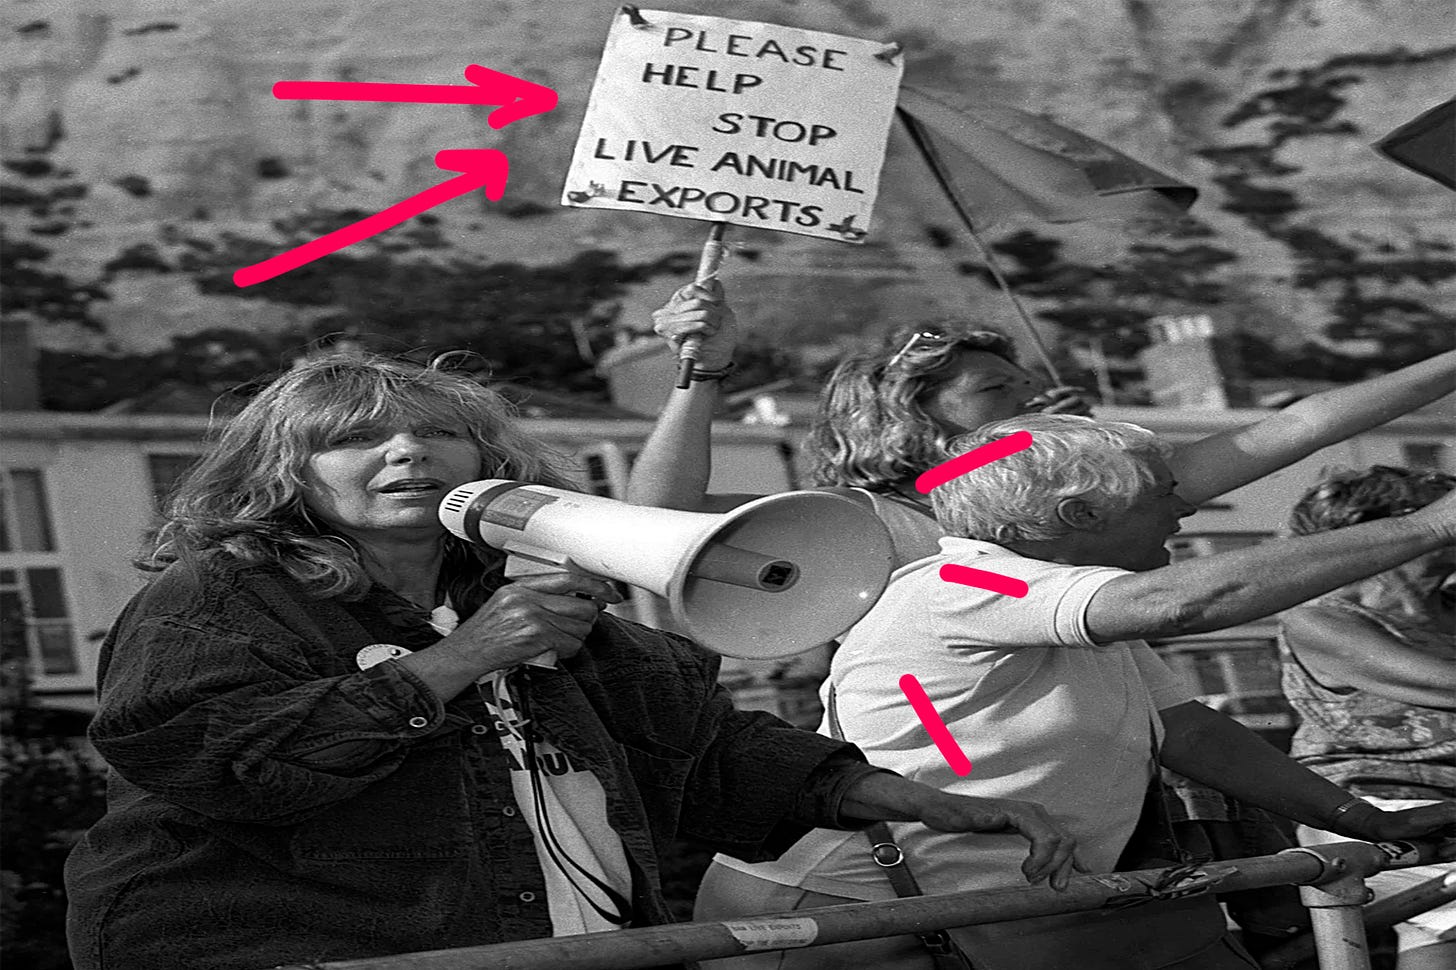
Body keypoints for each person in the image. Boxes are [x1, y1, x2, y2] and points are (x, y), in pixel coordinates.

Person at [62, 354, 1081, 970]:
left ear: (485, 464)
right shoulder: (218, 596)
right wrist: (465, 658)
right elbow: (217, 761)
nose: (407, 452)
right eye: (358, 439)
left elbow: (712, 757)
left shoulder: (538, 603)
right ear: (290, 473)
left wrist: (926, 801)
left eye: (436, 434)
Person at [693, 415, 1456, 970]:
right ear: (1077, 516)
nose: (1184, 508)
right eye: (1163, 493)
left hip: (977, 901)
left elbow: (1191, 734)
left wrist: (1352, 817)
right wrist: (1428, 528)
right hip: (842, 917)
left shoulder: (1056, 605)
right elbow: (1183, 604)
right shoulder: (965, 579)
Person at [629, 280, 1456, 570]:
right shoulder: (868, 521)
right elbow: (654, 525)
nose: (1031, 402)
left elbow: (1295, 426)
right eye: (998, 391)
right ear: (907, 419)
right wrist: (702, 372)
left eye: (1029, 387)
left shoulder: (1098, 496)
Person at [1280, 465, 1456, 970]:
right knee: (1443, 920)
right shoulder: (1318, 614)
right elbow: (1444, 682)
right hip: (1370, 811)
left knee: (1439, 931)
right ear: (1390, 526)